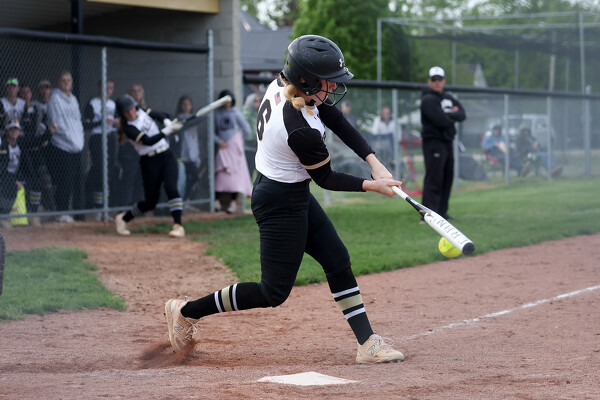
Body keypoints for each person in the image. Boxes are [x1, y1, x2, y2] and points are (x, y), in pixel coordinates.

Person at [164, 34, 405, 364]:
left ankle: (367, 344)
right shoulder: (299, 128)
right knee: (272, 292)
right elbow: (326, 178)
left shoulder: (286, 85)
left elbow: (334, 117)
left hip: (291, 189)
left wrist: (373, 161)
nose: (334, 87)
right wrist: (372, 185)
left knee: (337, 260)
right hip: (278, 202)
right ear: (305, 81)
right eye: (327, 81)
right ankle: (186, 311)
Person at [114, 94, 185, 238]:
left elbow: (158, 114)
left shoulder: (141, 110)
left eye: (131, 109)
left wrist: (166, 121)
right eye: (126, 112)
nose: (131, 113)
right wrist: (166, 131)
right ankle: (124, 218)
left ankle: (178, 226)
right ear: (122, 115)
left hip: (167, 155)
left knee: (171, 188)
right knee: (150, 202)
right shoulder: (128, 128)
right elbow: (148, 141)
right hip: (150, 162)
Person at [420, 66, 466, 221]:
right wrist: (452, 114)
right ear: (429, 81)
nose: (437, 82)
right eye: (434, 79)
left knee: (447, 177)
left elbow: (462, 114)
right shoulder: (427, 99)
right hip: (433, 142)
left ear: (444, 80)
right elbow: (441, 120)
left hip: (447, 142)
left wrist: (447, 114)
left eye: (439, 79)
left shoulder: (448, 97)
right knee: (434, 177)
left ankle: (442, 212)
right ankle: (428, 215)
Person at [46, 71, 85, 223]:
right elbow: (56, 123)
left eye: (69, 80)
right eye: (63, 80)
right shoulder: (54, 98)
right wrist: (71, 139)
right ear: (58, 82)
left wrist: (78, 140)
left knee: (77, 181)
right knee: (65, 181)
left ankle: (79, 212)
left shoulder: (73, 99)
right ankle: (61, 212)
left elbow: (78, 121)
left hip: (77, 146)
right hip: (62, 146)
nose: (66, 82)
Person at [213, 89, 252, 214]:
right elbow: (211, 131)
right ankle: (216, 202)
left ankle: (233, 203)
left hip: (234, 149)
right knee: (221, 173)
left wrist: (237, 140)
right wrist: (218, 141)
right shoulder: (216, 114)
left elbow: (247, 129)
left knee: (236, 176)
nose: (227, 103)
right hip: (223, 149)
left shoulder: (236, 113)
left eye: (229, 100)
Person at [83, 80, 119, 214]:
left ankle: (106, 205)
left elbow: (115, 121)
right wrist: (101, 122)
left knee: (109, 169)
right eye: (106, 88)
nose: (108, 91)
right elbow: (86, 124)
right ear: (100, 88)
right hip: (97, 137)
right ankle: (98, 207)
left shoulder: (113, 104)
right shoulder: (93, 103)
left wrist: (116, 124)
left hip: (110, 137)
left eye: (111, 88)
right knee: (99, 169)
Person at [173, 94, 202, 200]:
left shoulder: (194, 119)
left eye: (188, 104)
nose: (186, 107)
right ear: (180, 106)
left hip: (193, 156)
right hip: (183, 156)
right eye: (184, 104)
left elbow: (194, 141)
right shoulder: (180, 119)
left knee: (193, 178)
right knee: (185, 179)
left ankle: (186, 200)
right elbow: (189, 122)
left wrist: (196, 156)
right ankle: (183, 200)